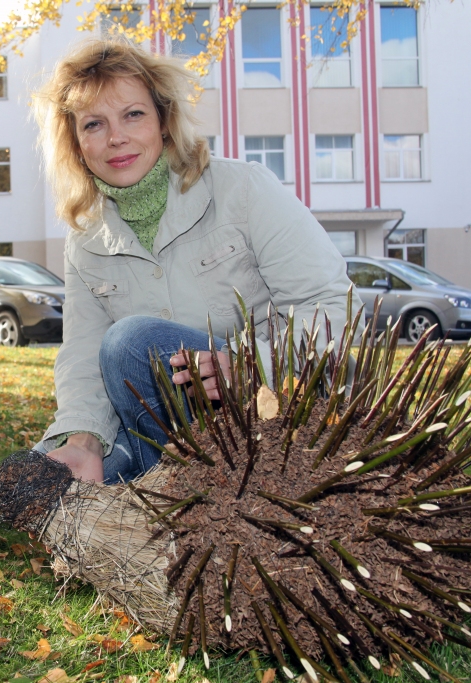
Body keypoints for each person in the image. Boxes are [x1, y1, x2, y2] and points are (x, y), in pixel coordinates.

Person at [31, 38, 362, 485]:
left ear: (164, 121)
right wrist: (83, 439)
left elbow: (333, 305)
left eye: (133, 114)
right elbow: (83, 355)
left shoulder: (243, 189)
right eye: (93, 124)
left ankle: (171, 489)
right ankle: (168, 482)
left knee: (131, 340)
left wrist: (252, 364)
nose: (116, 138)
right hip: (157, 423)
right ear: (76, 143)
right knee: (38, 476)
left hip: (270, 407)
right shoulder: (85, 240)